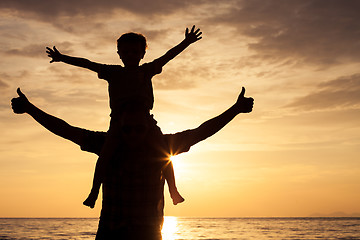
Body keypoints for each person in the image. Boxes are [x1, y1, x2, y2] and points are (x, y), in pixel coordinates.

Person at [11, 87, 254, 240]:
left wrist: (235, 109)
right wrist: (30, 109)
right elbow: (65, 130)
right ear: (120, 128)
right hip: (110, 233)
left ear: (148, 127)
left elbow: (201, 132)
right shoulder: (108, 146)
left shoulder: (162, 147)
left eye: (140, 129)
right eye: (127, 129)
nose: (134, 134)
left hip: (148, 234)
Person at [46, 25, 203, 208]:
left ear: (142, 54)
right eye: (126, 52)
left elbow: (168, 56)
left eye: (134, 52)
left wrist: (186, 42)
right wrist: (62, 58)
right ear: (119, 53)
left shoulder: (146, 70)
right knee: (105, 154)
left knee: (163, 153)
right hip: (119, 122)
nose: (130, 56)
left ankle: (174, 191)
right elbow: (87, 63)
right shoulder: (112, 72)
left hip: (145, 121)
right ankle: (94, 191)